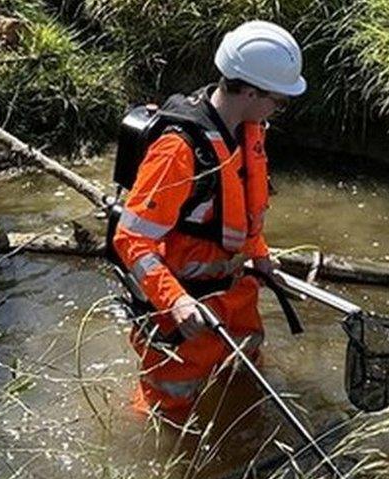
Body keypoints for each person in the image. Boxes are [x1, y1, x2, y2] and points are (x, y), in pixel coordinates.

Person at [112, 20, 306, 424]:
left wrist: (261, 256)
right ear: (250, 92)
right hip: (186, 313)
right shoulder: (177, 152)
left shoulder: (247, 130)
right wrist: (176, 301)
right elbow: (131, 238)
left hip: (235, 296)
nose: (280, 108)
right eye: (279, 100)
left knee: (242, 377)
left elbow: (241, 213)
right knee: (168, 408)